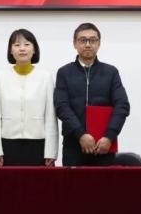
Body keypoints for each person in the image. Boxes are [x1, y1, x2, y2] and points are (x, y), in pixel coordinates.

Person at [54, 22, 130, 166]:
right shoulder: (64, 73)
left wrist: (109, 136)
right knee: (73, 182)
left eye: (92, 40)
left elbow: (122, 106)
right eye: (83, 40)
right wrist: (81, 134)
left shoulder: (111, 72)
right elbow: (61, 107)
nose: (88, 44)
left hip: (104, 145)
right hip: (74, 144)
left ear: (99, 44)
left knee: (103, 181)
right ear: (75, 44)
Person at [0, 29, 58, 167]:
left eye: (27, 44)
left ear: (34, 49)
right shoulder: (1, 77)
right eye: (17, 45)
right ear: (11, 50)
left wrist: (51, 152)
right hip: (8, 143)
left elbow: (51, 117)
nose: (22, 49)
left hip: (38, 143)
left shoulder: (45, 77)